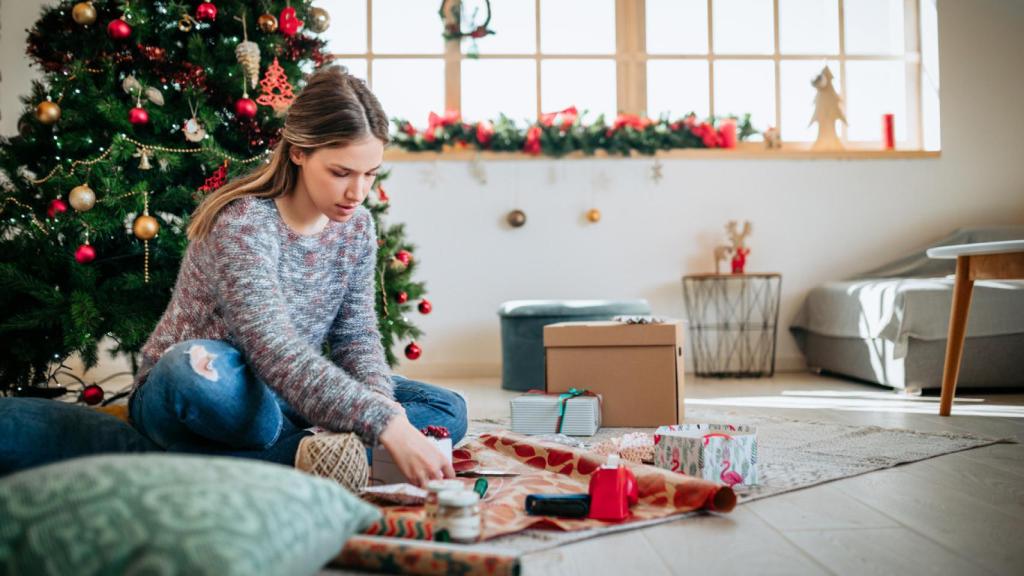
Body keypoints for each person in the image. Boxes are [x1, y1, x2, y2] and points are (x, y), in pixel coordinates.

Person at [127, 65, 466, 487]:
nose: (357, 193)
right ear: (299, 152)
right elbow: (272, 347)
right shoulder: (244, 222)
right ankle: (301, 450)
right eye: (341, 172)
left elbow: (355, 338)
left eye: (370, 174)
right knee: (195, 375)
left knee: (446, 408)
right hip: (211, 389)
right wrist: (385, 426)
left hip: (284, 396)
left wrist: (379, 401)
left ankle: (272, 456)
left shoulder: (357, 227)